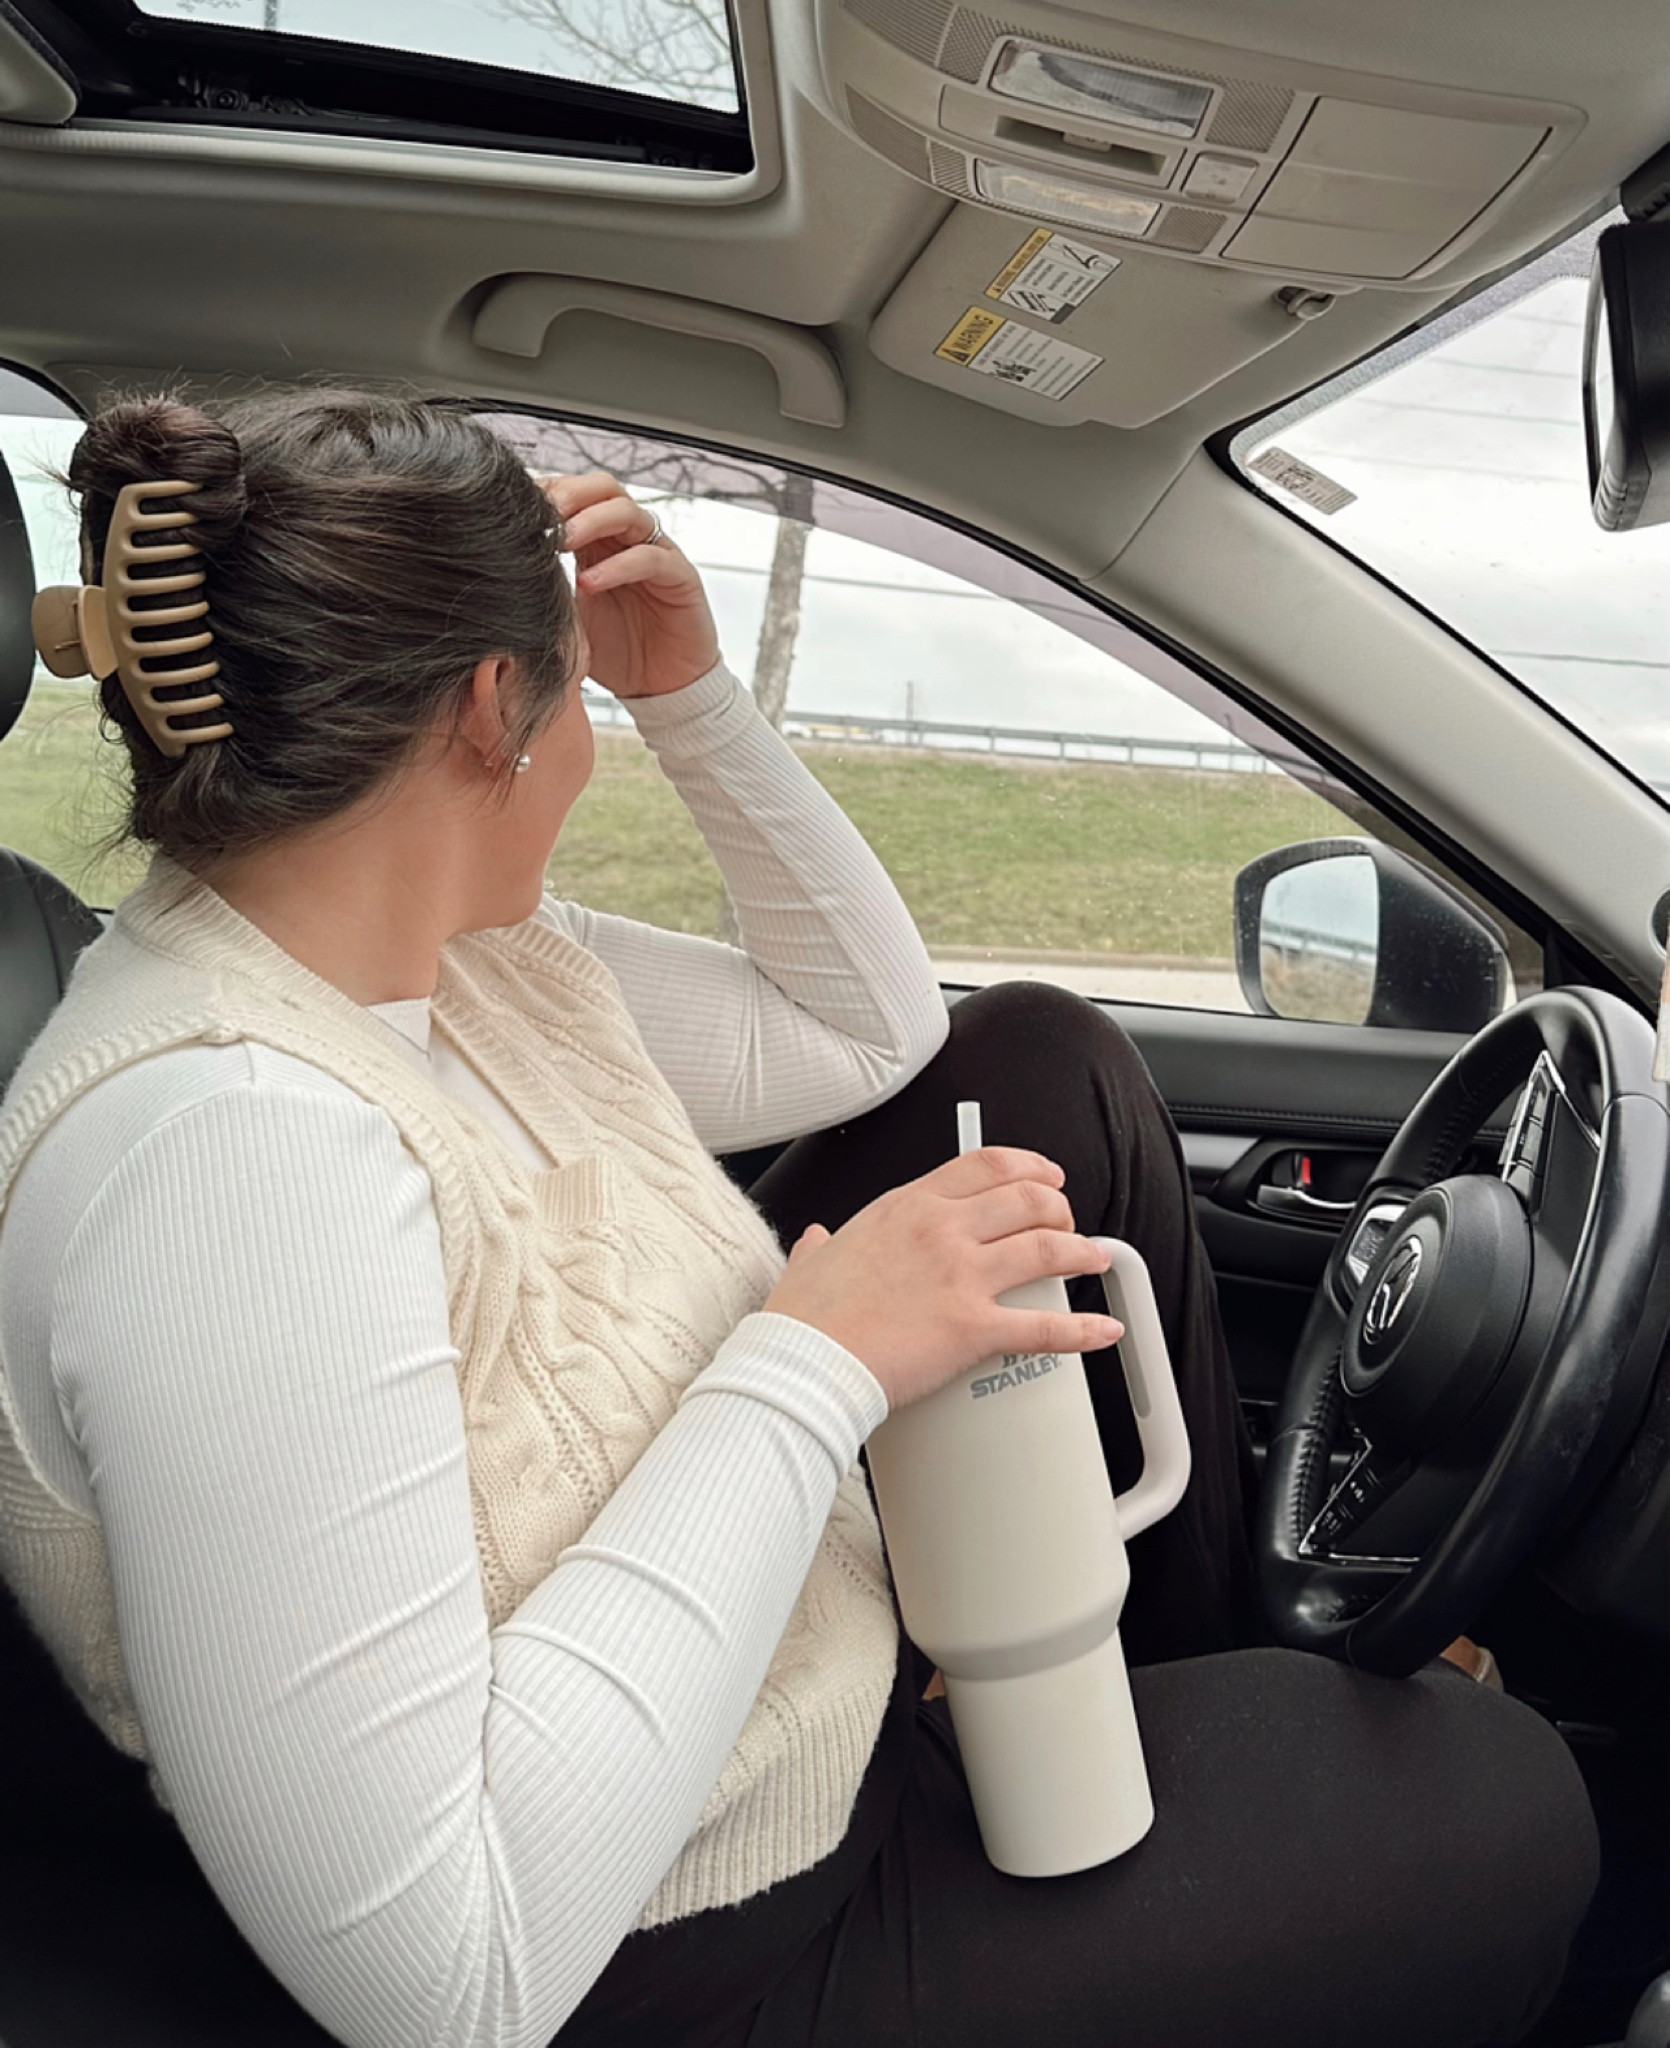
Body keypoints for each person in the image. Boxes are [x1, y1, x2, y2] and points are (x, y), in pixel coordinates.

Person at [0, 391, 1597, 2048]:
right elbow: (448, 1980)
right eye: (581, 695)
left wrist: (689, 697)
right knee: (1506, 1806)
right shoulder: (230, 1165)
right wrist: (811, 1369)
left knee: (1030, 1058)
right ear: (491, 709)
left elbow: (866, 1033)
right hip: (681, 1937)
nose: (591, 735)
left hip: (777, 1680)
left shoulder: (451, 962)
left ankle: (1163, 1692)